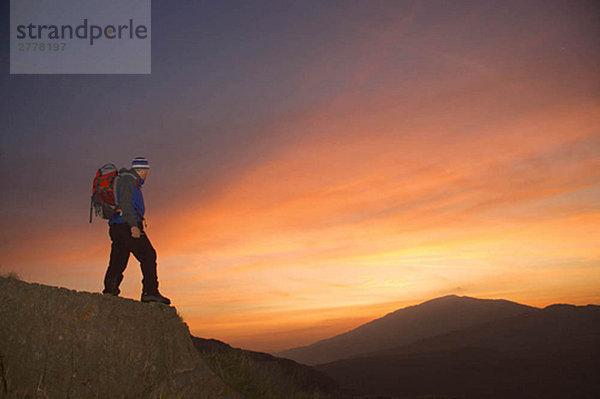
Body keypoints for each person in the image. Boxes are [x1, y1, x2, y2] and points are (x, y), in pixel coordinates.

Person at [102, 156, 171, 305]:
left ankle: (110, 292)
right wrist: (133, 225)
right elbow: (126, 204)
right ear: (140, 170)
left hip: (117, 226)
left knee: (118, 260)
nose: (147, 174)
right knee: (148, 255)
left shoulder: (126, 180)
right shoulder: (128, 180)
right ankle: (150, 292)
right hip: (127, 224)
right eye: (146, 171)